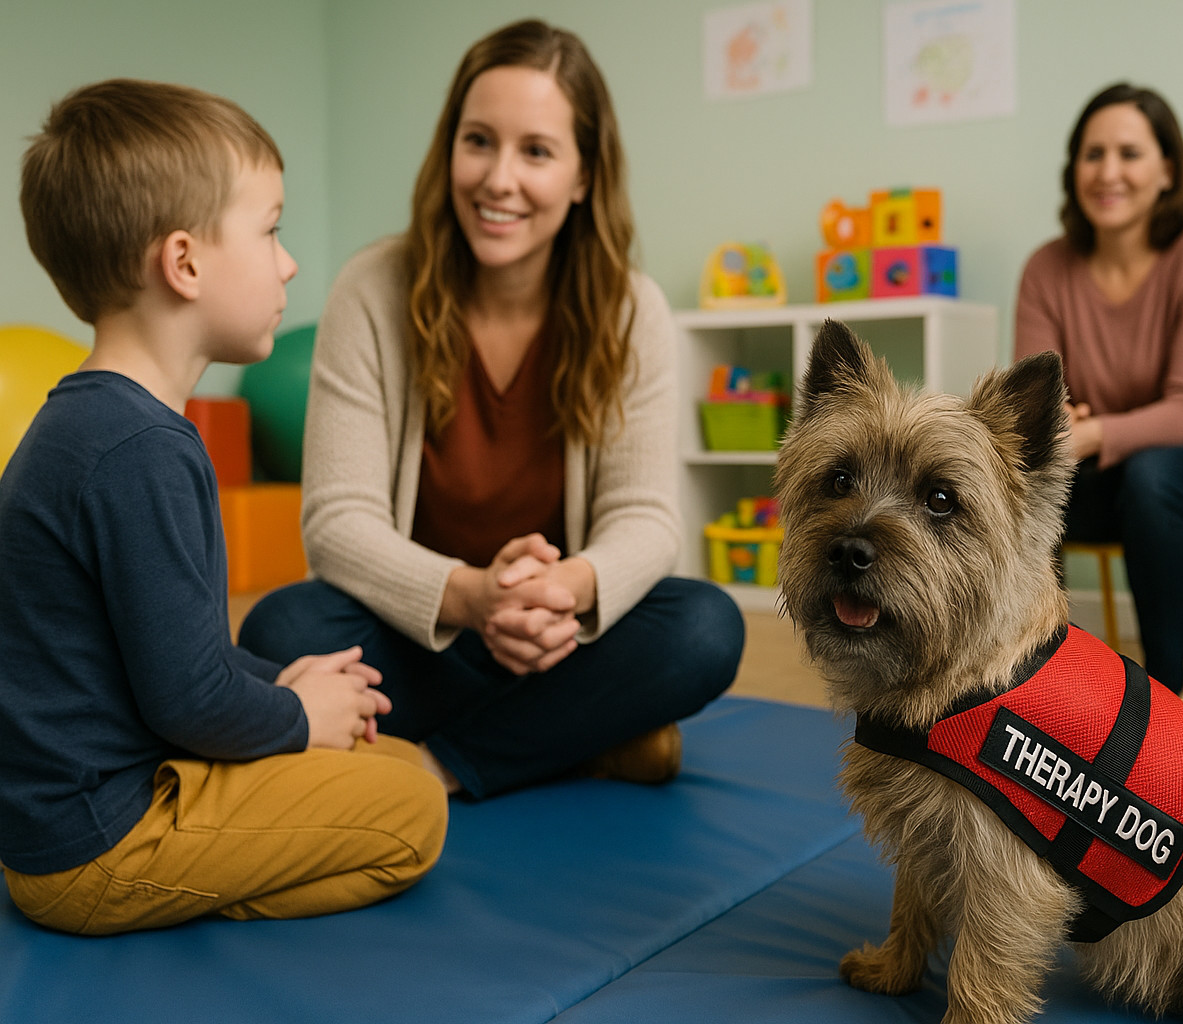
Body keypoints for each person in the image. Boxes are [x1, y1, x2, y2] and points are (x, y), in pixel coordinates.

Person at [239, 20, 743, 799]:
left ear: (582, 176)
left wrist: (565, 592)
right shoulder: (371, 289)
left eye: (536, 151)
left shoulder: (629, 309)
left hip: (558, 636)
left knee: (708, 627)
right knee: (280, 632)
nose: (498, 179)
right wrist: (475, 598)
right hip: (422, 632)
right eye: (479, 141)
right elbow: (338, 522)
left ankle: (440, 764)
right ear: (450, 149)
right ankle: (582, 740)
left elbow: (645, 521)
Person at [0, 79, 448, 936]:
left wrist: (283, 686)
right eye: (271, 230)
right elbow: (188, 705)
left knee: (378, 754)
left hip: (101, 802)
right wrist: (296, 712)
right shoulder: (139, 450)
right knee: (414, 812)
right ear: (185, 263)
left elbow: (176, 659)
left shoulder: (97, 423)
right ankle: (189, 894)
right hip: (102, 846)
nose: (286, 264)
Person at [1014, 82, 1183, 695]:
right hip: (1114, 479)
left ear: (1167, 170)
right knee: (1010, 487)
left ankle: (1167, 700)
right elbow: (1034, 410)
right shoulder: (1045, 269)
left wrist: (1093, 432)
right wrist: (1060, 426)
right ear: (1072, 170)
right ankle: (1024, 679)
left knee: (1154, 474)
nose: (1109, 172)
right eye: (1092, 154)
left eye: (1129, 154)